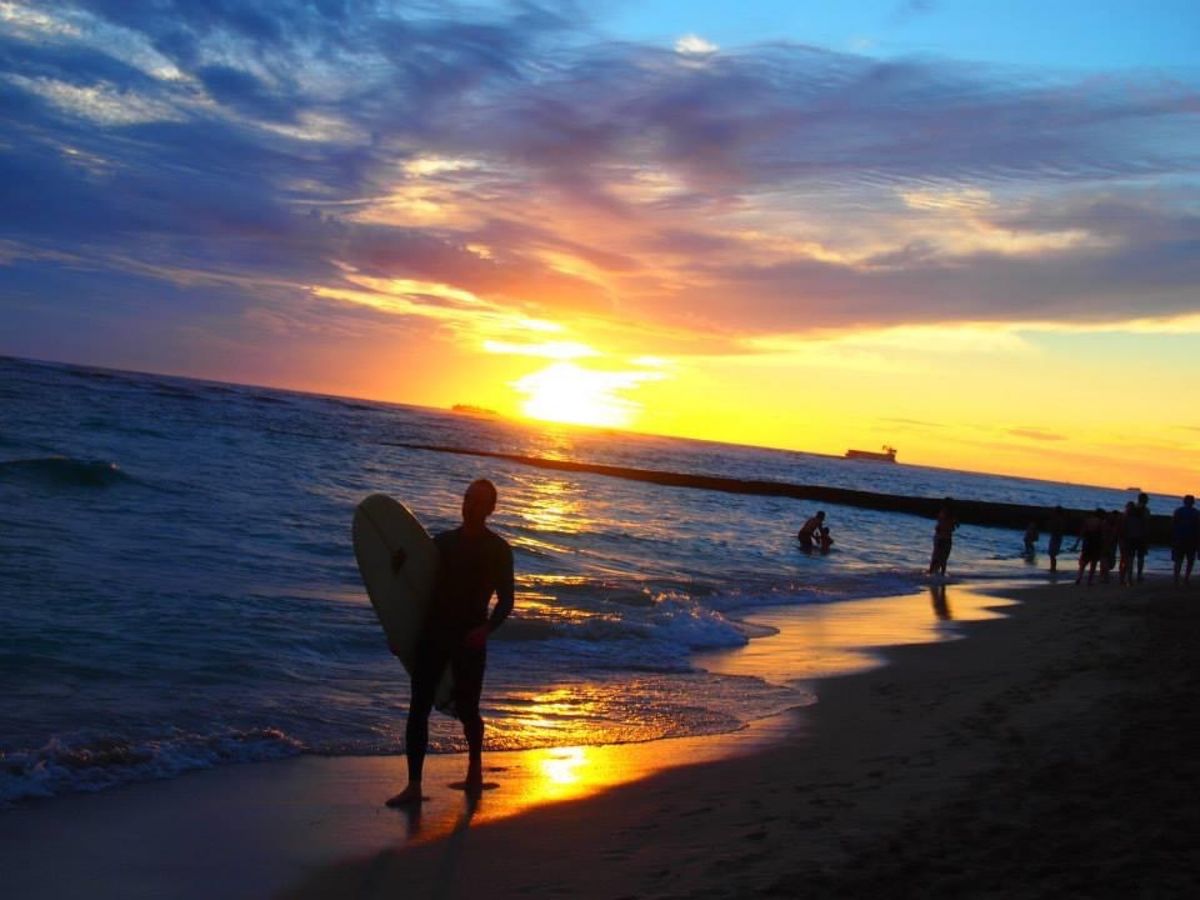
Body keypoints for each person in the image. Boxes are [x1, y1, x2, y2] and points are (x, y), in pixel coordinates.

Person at [387, 479, 515, 806]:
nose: (470, 505)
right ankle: (414, 786)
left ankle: (475, 770)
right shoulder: (442, 543)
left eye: (478, 501)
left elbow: (506, 600)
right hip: (433, 634)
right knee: (418, 708)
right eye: (468, 498)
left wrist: (486, 629)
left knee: (468, 710)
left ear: (491, 509)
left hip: (469, 639)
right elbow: (416, 587)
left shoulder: (498, 550)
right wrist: (399, 631)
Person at [1172, 494, 1198, 587]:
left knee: (1178, 560)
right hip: (1191, 540)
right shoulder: (1196, 513)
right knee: (1190, 560)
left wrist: (1174, 538)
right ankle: (1186, 578)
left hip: (1180, 538)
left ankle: (1176, 579)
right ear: (1193, 502)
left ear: (1184, 501)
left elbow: (1174, 525)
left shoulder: (1178, 511)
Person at [1075, 508, 1105, 586]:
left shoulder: (1088, 521)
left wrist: (1076, 544)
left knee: (1083, 562)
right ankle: (1089, 580)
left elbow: (1082, 533)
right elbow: (1102, 535)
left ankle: (1079, 578)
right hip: (1096, 543)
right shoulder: (1101, 522)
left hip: (1087, 542)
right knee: (1093, 563)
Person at [927, 499, 957, 576]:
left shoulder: (946, 514)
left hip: (942, 538)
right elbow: (950, 528)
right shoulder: (946, 514)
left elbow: (939, 527)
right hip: (943, 538)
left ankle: (935, 574)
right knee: (941, 558)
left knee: (938, 557)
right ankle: (937, 574)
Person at [1046, 506, 1066, 573]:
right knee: (1052, 554)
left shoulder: (1058, 519)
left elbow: (1057, 529)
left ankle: (1053, 568)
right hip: (1057, 537)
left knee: (1052, 554)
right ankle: (1053, 567)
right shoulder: (1060, 519)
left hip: (1056, 537)